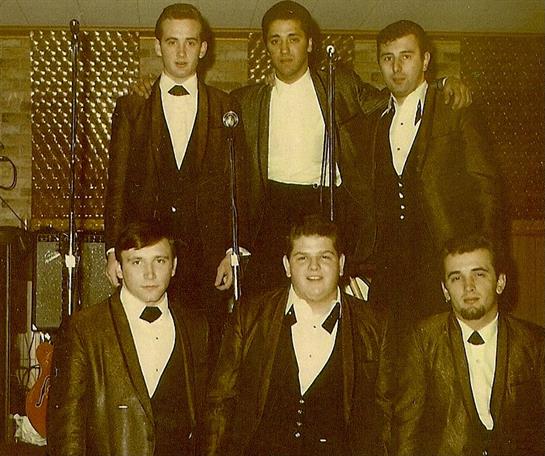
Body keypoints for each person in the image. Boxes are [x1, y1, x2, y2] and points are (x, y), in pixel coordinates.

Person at [233, 1, 471, 294]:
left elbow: (394, 97)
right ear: (266, 47)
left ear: (310, 44)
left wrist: (441, 83)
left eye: (293, 39)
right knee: (267, 302)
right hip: (272, 212)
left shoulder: (338, 85)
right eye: (275, 41)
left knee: (329, 299)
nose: (284, 50)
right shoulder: (248, 101)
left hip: (325, 203)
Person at [104, 3, 243, 347]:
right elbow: (117, 183)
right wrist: (112, 251)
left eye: (190, 42)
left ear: (203, 48)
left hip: (206, 260)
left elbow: (237, 186)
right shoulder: (132, 107)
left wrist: (232, 252)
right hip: (147, 255)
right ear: (157, 46)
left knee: (205, 347)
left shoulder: (226, 106)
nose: (181, 53)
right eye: (172, 42)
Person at [204, 215, 393, 456]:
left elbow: (385, 417)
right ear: (287, 265)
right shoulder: (250, 314)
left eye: (325, 257)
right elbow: (220, 403)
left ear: (341, 264)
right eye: (302, 258)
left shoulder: (375, 325)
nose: (314, 267)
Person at [367, 20, 503, 342]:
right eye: (388, 58)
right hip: (389, 269)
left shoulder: (454, 107)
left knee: (446, 352)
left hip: (442, 260)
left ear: (425, 59)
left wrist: (488, 261)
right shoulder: (375, 117)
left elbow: (486, 186)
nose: (397, 68)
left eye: (406, 56)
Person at [47, 221, 209, 456]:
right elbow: (66, 433)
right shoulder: (84, 329)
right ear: (120, 269)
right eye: (137, 262)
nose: (150, 274)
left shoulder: (196, 326)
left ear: (174, 266)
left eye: (159, 261)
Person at [392, 233, 545, 456]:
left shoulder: (534, 342)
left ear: (500, 282)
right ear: (445, 290)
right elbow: (407, 431)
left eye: (479, 274)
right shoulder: (423, 340)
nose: (468, 286)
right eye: (456, 278)